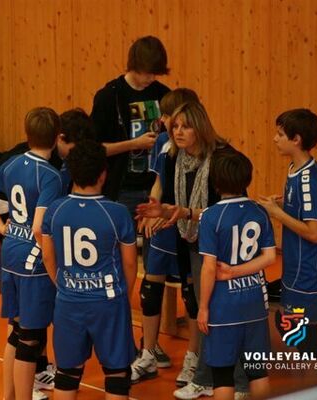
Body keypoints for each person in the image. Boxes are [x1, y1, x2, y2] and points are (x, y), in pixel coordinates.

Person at [135, 101, 250, 399]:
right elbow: (175, 202)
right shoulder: (175, 157)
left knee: (217, 311)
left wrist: (187, 212)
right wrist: (164, 210)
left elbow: (230, 210)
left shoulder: (223, 158)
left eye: (185, 126)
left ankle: (231, 380)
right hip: (190, 239)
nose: (178, 132)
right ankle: (208, 376)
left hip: (221, 244)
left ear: (200, 127)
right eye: (175, 126)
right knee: (202, 308)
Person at [0, 107, 63, 400]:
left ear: (27, 134)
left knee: (15, 330)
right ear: (57, 137)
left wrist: (2, 227)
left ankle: (8, 396)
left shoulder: (13, 163)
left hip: (10, 251)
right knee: (31, 337)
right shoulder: (51, 176)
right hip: (33, 260)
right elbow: (39, 227)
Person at [41, 139, 138, 400]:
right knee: (117, 373)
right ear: (103, 174)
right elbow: (130, 263)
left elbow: (48, 256)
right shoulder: (117, 213)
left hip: (68, 302)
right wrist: (122, 295)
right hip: (108, 301)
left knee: (67, 374)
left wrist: (64, 285)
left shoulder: (55, 210)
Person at [130, 88, 200, 383]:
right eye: (169, 118)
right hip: (162, 225)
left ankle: (194, 358)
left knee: (191, 293)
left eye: (173, 117)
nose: (168, 123)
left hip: (186, 225)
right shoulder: (162, 143)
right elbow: (159, 182)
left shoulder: (201, 149)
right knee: (150, 287)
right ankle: (148, 353)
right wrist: (152, 208)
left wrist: (172, 213)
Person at [196, 151, 276, 400]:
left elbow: (209, 268)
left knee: (222, 375)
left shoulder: (210, 216)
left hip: (223, 306)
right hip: (255, 302)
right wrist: (238, 271)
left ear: (215, 182)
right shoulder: (260, 212)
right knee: (257, 372)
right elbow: (270, 257)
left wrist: (203, 307)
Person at [258, 109, 317, 356]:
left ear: (296, 139)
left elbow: (315, 233)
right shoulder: (294, 168)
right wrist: (279, 205)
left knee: (306, 340)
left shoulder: (309, 179)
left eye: (280, 134)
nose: (275, 139)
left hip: (309, 270)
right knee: (293, 329)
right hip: (294, 266)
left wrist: (276, 213)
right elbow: (301, 210)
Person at [90, 35, 170, 205]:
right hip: (122, 190)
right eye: (148, 73)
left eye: (155, 73)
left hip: (157, 188)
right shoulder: (109, 96)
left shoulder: (163, 94)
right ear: (135, 65)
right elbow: (94, 150)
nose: (152, 78)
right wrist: (134, 144)